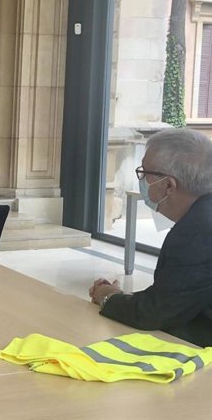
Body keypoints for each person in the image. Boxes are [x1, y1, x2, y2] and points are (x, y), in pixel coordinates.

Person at [89, 128, 212, 347]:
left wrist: (107, 296)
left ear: (168, 185)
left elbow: (154, 313)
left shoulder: (196, 232)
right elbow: (175, 294)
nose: (142, 181)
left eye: (145, 173)